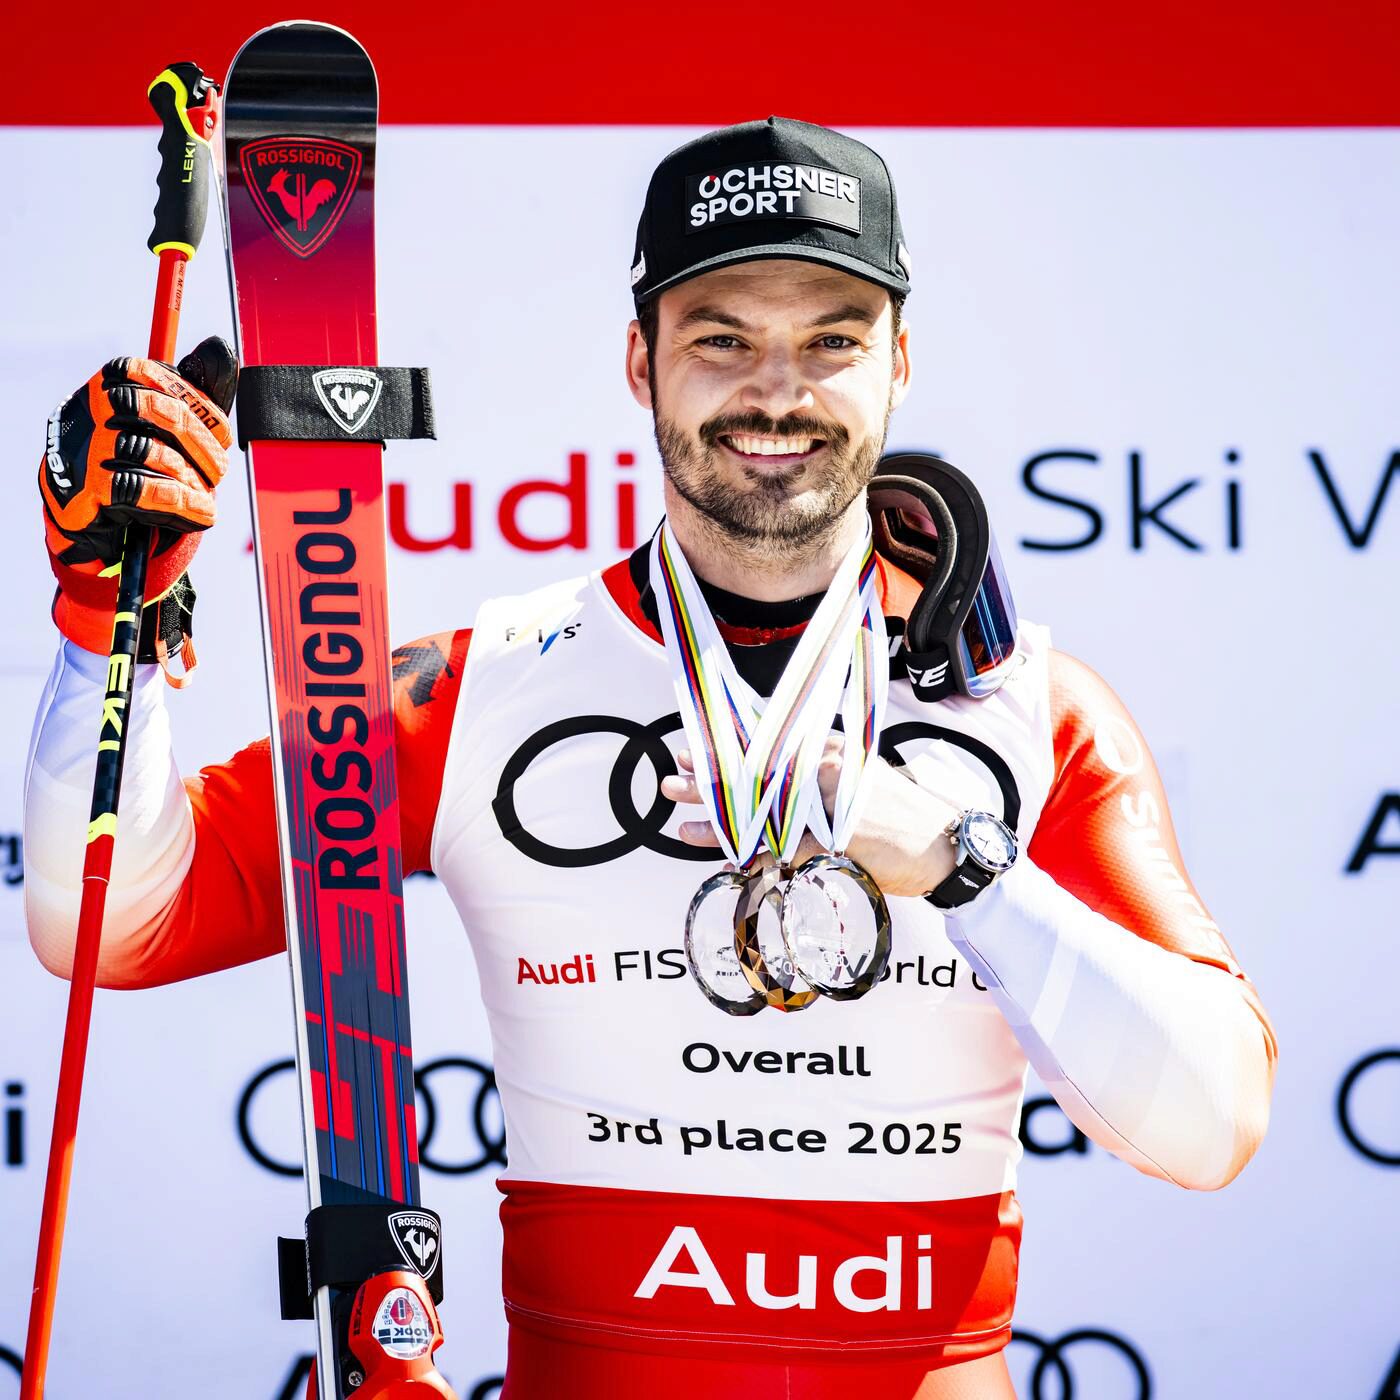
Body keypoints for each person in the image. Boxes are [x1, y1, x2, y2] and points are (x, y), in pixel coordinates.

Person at [26, 117, 1277, 1399]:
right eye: (720, 338)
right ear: (641, 360)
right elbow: (108, 921)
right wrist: (102, 617)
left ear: (899, 361)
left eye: (831, 340)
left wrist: (969, 869)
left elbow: (1215, 1122)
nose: (776, 390)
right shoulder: (475, 689)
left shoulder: (1031, 711)